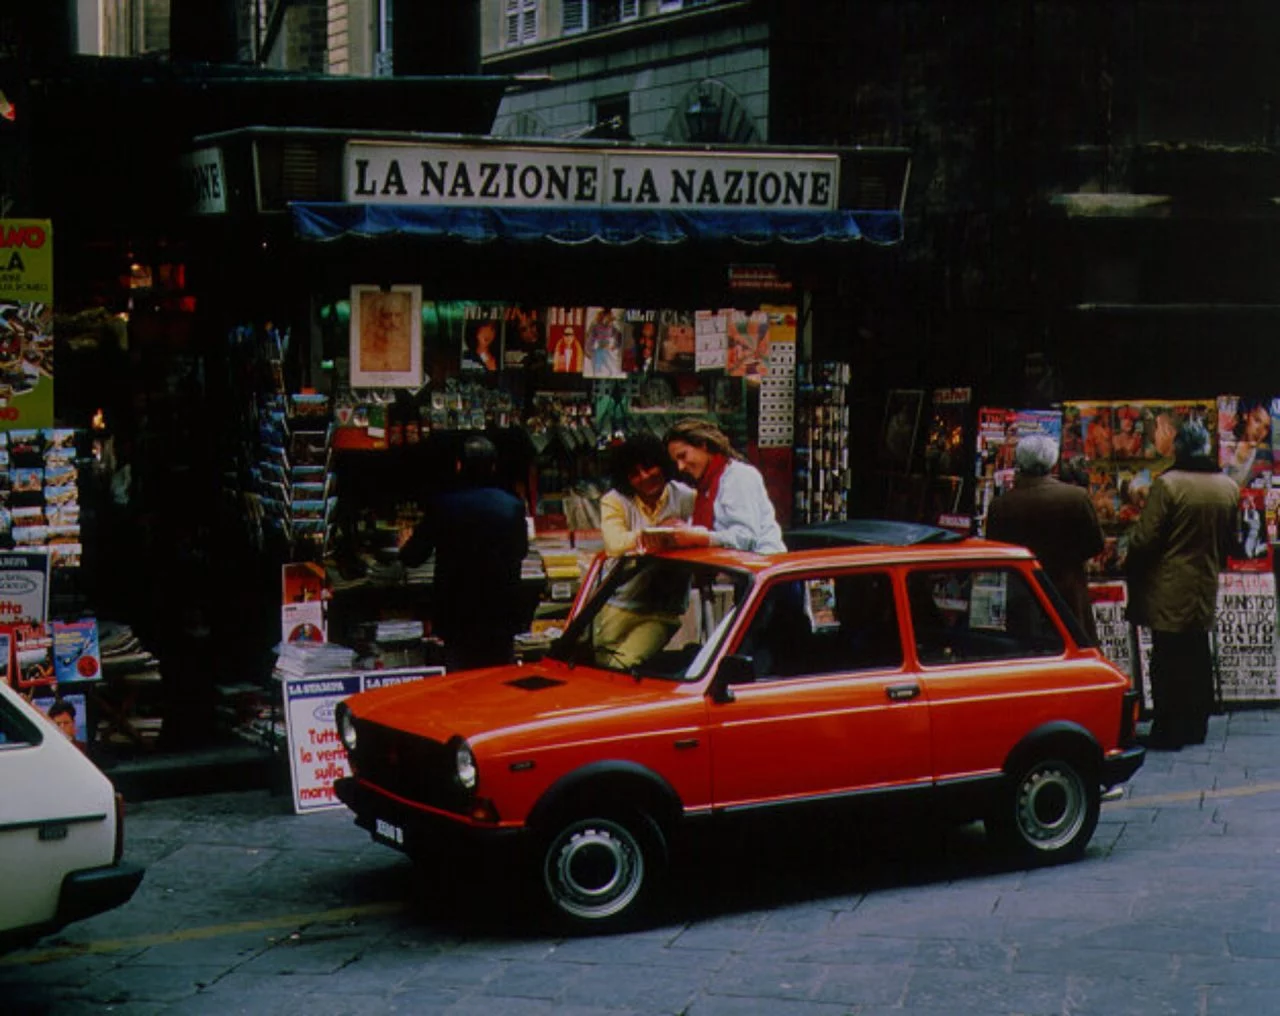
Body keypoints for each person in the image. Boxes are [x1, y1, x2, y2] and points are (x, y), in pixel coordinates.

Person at [1125, 421, 1239, 750]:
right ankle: (1195, 724)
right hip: (1204, 583)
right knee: (1197, 654)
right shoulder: (1227, 486)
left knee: (1168, 657)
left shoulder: (1169, 485)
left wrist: (1130, 561)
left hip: (1168, 585)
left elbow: (1145, 539)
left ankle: (1169, 728)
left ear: (1178, 447)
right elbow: (1231, 540)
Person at [399, 435, 529, 671]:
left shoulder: (443, 506)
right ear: (493, 466)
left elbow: (413, 557)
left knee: (461, 679)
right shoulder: (513, 506)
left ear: (459, 465)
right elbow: (520, 552)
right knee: (499, 679)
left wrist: (404, 542)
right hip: (501, 614)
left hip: (458, 616)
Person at [985, 435, 1105, 642]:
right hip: (1067, 592)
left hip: (1022, 597)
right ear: (1052, 461)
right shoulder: (1075, 497)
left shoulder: (1001, 505)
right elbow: (1095, 544)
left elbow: (995, 553)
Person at [593, 434, 696, 668]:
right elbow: (615, 544)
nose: (645, 477)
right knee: (600, 666)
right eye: (634, 474)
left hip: (663, 609)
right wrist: (662, 533)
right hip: (619, 602)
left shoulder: (686, 497)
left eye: (649, 467)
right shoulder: (615, 500)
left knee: (621, 665)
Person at [654, 418, 785, 554]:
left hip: (757, 566)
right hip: (725, 567)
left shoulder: (739, 476)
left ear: (703, 445)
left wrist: (698, 537)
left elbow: (746, 538)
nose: (680, 467)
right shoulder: (705, 485)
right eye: (676, 461)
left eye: (683, 456)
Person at [1225, 399, 1271, 488]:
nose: (1260, 430)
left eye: (1266, 427)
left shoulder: (1261, 458)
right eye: (1257, 420)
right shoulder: (1227, 444)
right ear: (1246, 417)